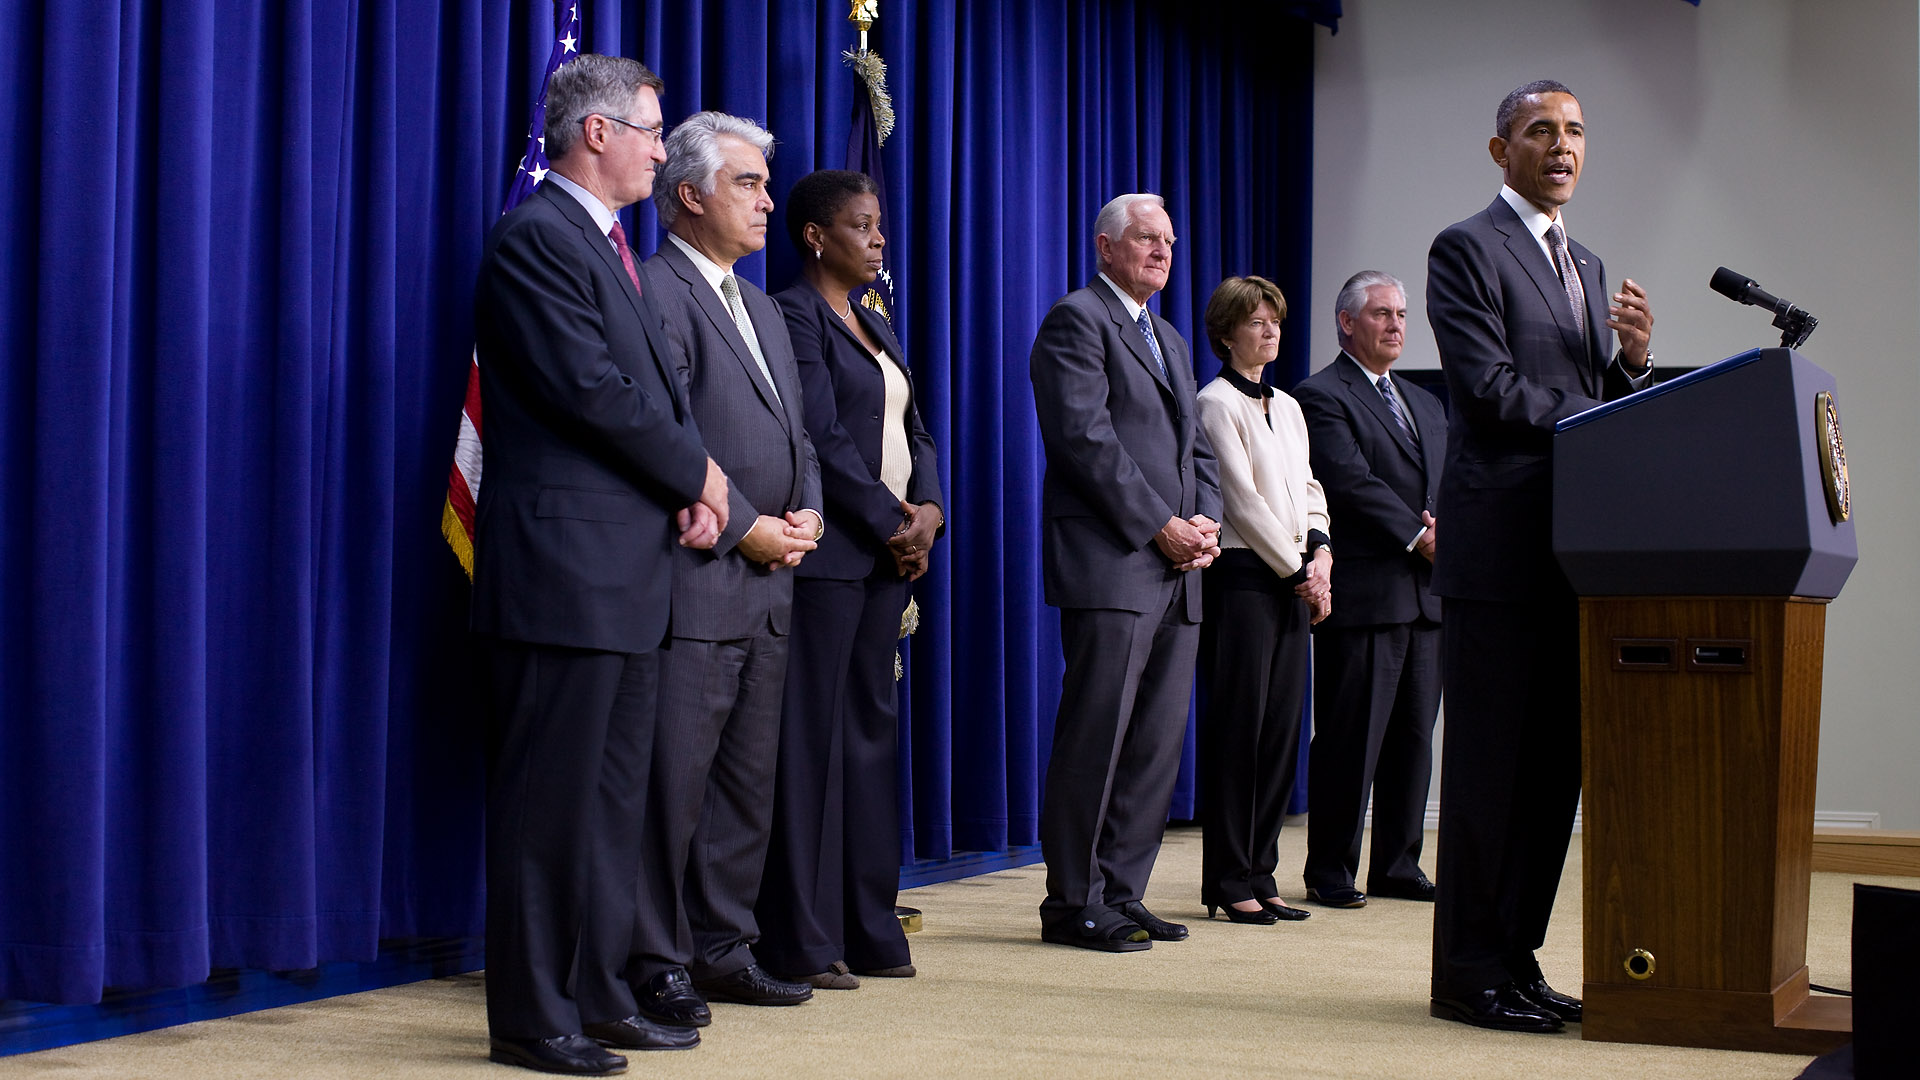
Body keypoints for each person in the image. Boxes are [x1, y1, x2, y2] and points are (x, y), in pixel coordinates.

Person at [470, 53, 727, 1075]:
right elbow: (592, 391)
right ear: (596, 134)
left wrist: (684, 495)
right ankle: (533, 1018)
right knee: (549, 810)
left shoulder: (611, 245)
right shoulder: (537, 239)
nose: (663, 151)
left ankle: (598, 991)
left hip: (627, 577)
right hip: (563, 578)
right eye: (653, 131)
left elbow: (644, 397)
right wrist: (700, 476)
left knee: (615, 804)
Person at [1425, 80, 1654, 1034]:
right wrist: (1612, 413)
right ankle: (1466, 973)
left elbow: (1582, 385)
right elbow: (1487, 391)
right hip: (1498, 548)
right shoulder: (1468, 247)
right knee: (1490, 771)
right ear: (1500, 150)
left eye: (1575, 132)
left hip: (1574, 550)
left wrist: (1634, 367)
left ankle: (1517, 960)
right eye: (1540, 131)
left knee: (1553, 770)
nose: (1562, 147)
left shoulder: (1590, 262)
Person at [630, 111, 821, 1027]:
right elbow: (669, 438)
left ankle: (723, 946)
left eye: (763, 182)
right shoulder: (654, 289)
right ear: (690, 193)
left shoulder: (767, 306)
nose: (766, 200)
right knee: (672, 787)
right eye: (747, 183)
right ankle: (654, 958)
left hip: (774, 584)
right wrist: (747, 528)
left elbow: (799, 432)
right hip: (698, 579)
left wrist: (809, 508)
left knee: (746, 784)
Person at [756, 169, 944, 988]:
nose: (878, 239)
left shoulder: (875, 323)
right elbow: (822, 440)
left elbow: (917, 429)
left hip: (887, 562)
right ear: (815, 235)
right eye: (862, 226)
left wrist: (930, 509)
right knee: (813, 747)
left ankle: (870, 927)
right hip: (832, 557)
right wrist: (892, 521)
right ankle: (803, 936)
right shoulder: (792, 315)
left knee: (870, 742)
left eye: (880, 225)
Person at [1029, 193, 1221, 952]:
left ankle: (1122, 890)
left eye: (1168, 241)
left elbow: (1194, 449)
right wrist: (1158, 525)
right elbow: (1085, 439)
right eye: (1145, 239)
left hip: (1181, 570)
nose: (1161, 251)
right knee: (1097, 736)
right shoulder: (1077, 319)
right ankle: (1071, 900)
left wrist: (1205, 522)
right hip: (1114, 563)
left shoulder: (1169, 337)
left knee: (1153, 744)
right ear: (1106, 247)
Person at [1293, 271, 1445, 911]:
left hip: (1428, 597)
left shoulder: (1426, 401)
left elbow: (1448, 478)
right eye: (1381, 313)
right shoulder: (1320, 395)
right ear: (1346, 322)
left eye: (1402, 314)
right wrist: (1419, 534)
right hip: (1365, 595)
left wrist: (1447, 527)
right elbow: (1349, 482)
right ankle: (1330, 868)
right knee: (1352, 738)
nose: (1396, 324)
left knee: (1414, 736)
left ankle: (1398, 865)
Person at [1191, 276, 1328, 927]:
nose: (1269, 331)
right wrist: (1300, 568)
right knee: (1238, 733)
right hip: (1245, 581)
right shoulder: (1215, 403)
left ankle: (1261, 871)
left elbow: (1307, 486)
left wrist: (1321, 553)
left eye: (1275, 320)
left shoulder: (1290, 405)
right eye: (1256, 321)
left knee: (1280, 734)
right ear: (1226, 333)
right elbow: (1241, 502)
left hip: (1295, 580)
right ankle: (1226, 875)